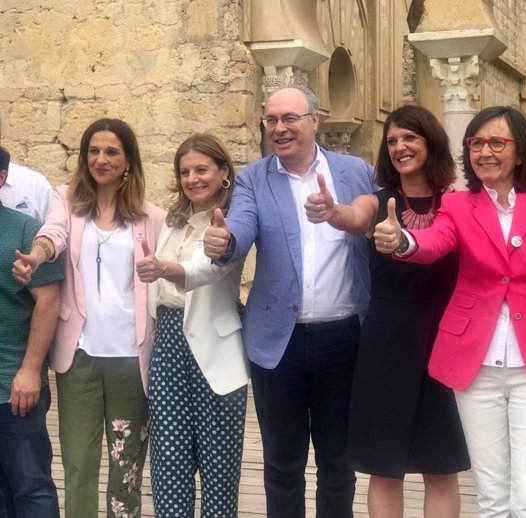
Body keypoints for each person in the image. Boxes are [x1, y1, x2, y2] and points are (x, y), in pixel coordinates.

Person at [375, 105, 526, 518]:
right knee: (490, 498)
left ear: (520, 152)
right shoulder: (457, 205)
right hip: (476, 367)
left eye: (496, 142)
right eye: (476, 143)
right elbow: (434, 242)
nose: (485, 152)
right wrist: (404, 242)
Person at [203, 84, 376, 518]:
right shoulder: (252, 179)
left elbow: (379, 222)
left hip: (344, 340)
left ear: (315, 121)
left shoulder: (357, 172)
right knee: (283, 464)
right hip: (278, 344)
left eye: (290, 119)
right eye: (272, 120)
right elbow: (240, 227)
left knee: (339, 460)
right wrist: (224, 241)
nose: (279, 129)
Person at [303, 104, 470, 518]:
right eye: (392, 140)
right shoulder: (375, 202)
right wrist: (332, 212)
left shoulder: (460, 203)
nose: (400, 147)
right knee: (384, 466)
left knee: (441, 465)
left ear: (430, 142)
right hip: (386, 341)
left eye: (409, 137)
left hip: (444, 337)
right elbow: (353, 217)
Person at [12, 118, 165, 518]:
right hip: (77, 357)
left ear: (128, 160)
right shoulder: (65, 201)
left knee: (126, 470)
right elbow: (53, 233)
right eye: (93, 151)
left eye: (111, 151)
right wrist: (38, 255)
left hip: (131, 360)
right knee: (78, 465)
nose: (101, 159)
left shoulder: (152, 218)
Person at [136, 133, 249, 518]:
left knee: (219, 475)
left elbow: (209, 270)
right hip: (167, 347)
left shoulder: (235, 223)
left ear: (223, 173)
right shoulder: (171, 221)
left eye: (202, 169)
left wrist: (166, 269)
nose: (192, 178)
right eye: (184, 171)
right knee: (168, 467)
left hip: (215, 353)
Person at [0, 146, 62, 518]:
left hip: (13, 387)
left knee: (31, 487)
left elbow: (48, 302)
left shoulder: (24, 230)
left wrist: (29, 371)